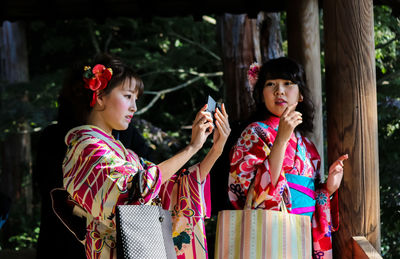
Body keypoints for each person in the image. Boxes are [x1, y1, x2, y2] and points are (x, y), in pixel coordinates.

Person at [59, 53, 230, 259]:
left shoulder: (126, 154)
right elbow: (133, 191)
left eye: (136, 99)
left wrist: (215, 150)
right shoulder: (85, 147)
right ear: (101, 96)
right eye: (127, 96)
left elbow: (169, 187)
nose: (134, 107)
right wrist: (191, 148)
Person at [228, 57, 348, 259]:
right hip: (270, 235)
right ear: (261, 95)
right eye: (270, 84)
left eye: (287, 83)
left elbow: (312, 194)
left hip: (304, 234)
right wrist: (281, 139)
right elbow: (252, 191)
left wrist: (327, 188)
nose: (279, 91)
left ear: (300, 94)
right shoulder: (254, 133)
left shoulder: (307, 144)